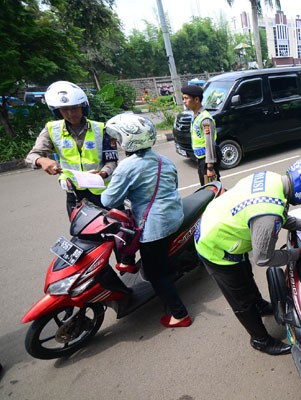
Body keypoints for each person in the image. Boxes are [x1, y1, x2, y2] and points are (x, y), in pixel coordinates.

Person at [195, 158, 301, 355]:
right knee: (240, 298)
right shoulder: (270, 215)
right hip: (215, 245)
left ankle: (258, 304)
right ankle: (260, 340)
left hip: (220, 223)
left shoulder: (273, 180)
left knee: (245, 274)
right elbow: (263, 258)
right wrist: (298, 254)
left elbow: (276, 210)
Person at [101, 114, 191, 328]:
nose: (115, 142)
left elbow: (108, 199)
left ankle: (180, 315)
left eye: (117, 138)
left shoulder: (126, 166)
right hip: (175, 216)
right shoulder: (163, 159)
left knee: (154, 272)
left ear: (126, 139)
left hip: (154, 226)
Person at [25, 81, 117, 216]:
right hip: (74, 193)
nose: (70, 114)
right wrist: (42, 161)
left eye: (74, 108)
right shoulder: (52, 129)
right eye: (64, 109)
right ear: (57, 111)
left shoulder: (101, 129)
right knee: (82, 233)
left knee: (112, 231)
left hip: (102, 191)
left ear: (83, 107)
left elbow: (112, 161)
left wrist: (102, 174)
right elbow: (32, 156)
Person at [181, 85, 220, 185]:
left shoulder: (205, 119)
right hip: (201, 159)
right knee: (207, 188)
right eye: (183, 98)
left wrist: (210, 167)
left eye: (186, 98)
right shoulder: (196, 115)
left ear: (196, 99)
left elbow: (209, 143)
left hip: (207, 160)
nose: (184, 101)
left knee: (212, 189)